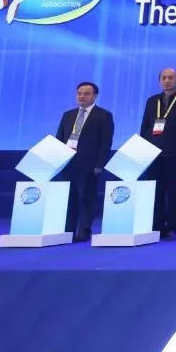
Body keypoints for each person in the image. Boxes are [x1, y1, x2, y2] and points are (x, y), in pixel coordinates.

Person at [140, 68, 176, 241]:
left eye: (171, 78)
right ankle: (156, 226)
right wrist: (142, 150)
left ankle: (172, 227)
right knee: (155, 191)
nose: (167, 81)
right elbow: (145, 126)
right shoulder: (152, 101)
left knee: (173, 192)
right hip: (153, 153)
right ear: (159, 80)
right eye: (164, 78)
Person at [55, 81, 114, 242]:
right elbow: (59, 138)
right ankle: (68, 230)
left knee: (86, 198)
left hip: (89, 165)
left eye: (86, 94)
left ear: (95, 96)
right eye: (79, 93)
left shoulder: (103, 115)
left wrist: (99, 164)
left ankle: (84, 230)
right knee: (69, 198)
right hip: (67, 163)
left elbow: (105, 142)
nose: (81, 96)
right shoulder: (68, 115)